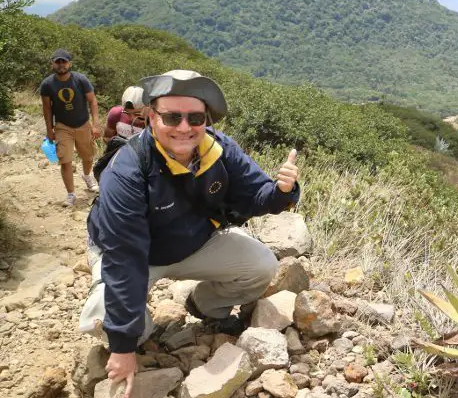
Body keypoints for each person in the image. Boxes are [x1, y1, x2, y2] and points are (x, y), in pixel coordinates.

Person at [78, 69, 301, 398]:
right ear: (152, 118)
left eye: (195, 117)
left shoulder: (220, 150)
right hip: (139, 256)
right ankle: (142, 332)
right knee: (103, 317)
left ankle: (205, 305)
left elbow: (255, 196)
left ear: (207, 119)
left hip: (193, 243)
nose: (184, 127)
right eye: (172, 117)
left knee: (262, 266)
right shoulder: (127, 170)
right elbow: (125, 258)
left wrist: (283, 192)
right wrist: (124, 347)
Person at [39, 48, 101, 206]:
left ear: (69, 63)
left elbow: (92, 101)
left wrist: (95, 124)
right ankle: (71, 194)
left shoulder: (81, 80)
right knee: (65, 160)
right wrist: (49, 129)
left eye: (64, 61)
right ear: (52, 64)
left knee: (87, 157)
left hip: (83, 124)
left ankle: (87, 176)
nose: (61, 65)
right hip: (62, 126)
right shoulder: (47, 84)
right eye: (57, 62)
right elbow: (47, 108)